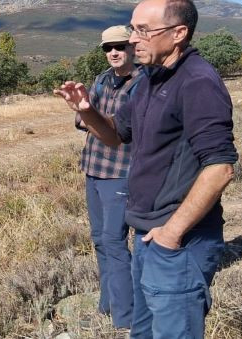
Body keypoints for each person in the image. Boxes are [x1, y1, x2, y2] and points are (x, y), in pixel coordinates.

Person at [55, 0, 237, 338]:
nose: (133, 39)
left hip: (179, 241)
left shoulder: (197, 82)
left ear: (178, 33)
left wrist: (172, 233)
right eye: (132, 30)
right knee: (143, 333)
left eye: (142, 30)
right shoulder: (149, 80)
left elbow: (220, 167)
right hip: (146, 235)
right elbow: (116, 136)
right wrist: (86, 110)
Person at [75, 26, 142, 329]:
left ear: (132, 48)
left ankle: (125, 317)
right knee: (100, 240)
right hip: (94, 169)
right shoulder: (102, 79)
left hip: (121, 173)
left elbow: (123, 129)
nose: (113, 52)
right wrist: (93, 117)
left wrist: (94, 118)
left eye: (119, 46)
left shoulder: (142, 83)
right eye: (107, 48)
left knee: (115, 242)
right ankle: (107, 305)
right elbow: (80, 118)